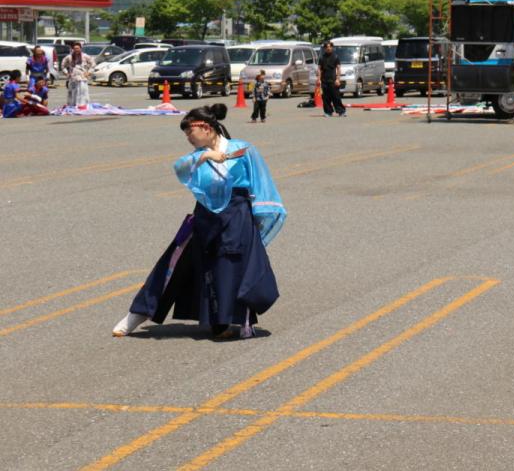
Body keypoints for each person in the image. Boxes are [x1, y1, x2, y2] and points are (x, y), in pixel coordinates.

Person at [112, 103, 286, 339]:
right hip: (204, 216)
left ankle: (226, 323)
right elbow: (179, 168)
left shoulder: (243, 149)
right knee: (173, 262)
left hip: (238, 215)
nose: (188, 138)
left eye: (189, 132)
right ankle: (138, 313)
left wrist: (259, 218)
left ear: (205, 127)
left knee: (230, 267)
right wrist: (205, 156)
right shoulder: (196, 156)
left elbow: (261, 184)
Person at [318, 41, 347, 117]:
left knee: (336, 97)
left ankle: (341, 111)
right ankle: (328, 112)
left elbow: (338, 68)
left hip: (333, 80)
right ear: (324, 48)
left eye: (330, 47)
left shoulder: (335, 57)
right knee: (326, 98)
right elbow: (319, 69)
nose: (328, 48)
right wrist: (318, 79)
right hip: (324, 80)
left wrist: (338, 79)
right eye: (327, 47)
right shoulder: (321, 58)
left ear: (332, 48)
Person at [61, 42, 94, 109]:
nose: (76, 50)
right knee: (72, 93)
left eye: (78, 48)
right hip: (73, 78)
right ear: (73, 49)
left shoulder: (85, 56)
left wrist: (88, 73)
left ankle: (82, 106)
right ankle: (72, 106)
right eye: (75, 48)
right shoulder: (69, 57)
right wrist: (66, 73)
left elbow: (93, 64)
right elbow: (63, 66)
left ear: (80, 48)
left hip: (82, 78)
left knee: (82, 93)